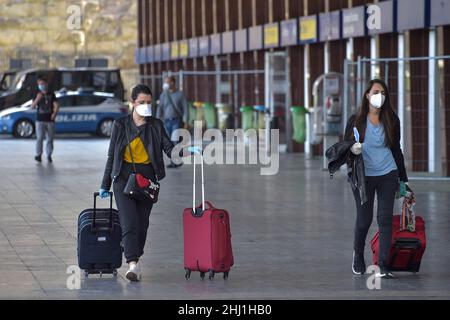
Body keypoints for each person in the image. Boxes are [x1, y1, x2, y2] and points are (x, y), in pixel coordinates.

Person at [99, 84, 178, 282]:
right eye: (141, 102)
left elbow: (169, 148)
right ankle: (132, 263)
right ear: (133, 103)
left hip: (147, 179)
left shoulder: (156, 125)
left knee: (142, 225)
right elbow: (111, 157)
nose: (146, 106)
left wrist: (184, 151)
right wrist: (104, 185)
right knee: (129, 222)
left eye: (149, 103)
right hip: (123, 177)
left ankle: (136, 256)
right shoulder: (120, 125)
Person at [344, 79, 410, 279]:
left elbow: (396, 149)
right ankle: (358, 255)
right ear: (367, 95)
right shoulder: (356, 120)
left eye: (382, 92)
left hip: (387, 174)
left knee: (385, 219)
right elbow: (345, 147)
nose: (379, 95)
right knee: (364, 219)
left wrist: (403, 180)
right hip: (363, 176)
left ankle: (382, 263)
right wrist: (352, 149)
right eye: (375, 91)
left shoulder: (392, 119)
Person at [156, 76, 188, 168]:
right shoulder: (163, 95)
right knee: (169, 142)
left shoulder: (180, 95)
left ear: (173, 83)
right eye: (165, 82)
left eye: (167, 82)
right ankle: (174, 161)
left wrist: (185, 121)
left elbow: (185, 108)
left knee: (175, 141)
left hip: (176, 121)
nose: (165, 84)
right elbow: (160, 107)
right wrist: (157, 120)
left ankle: (176, 161)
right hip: (166, 122)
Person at [31, 76, 59, 163]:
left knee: (50, 138)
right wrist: (37, 99)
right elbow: (32, 106)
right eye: (39, 84)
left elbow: (56, 105)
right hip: (40, 120)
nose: (41, 86)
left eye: (42, 84)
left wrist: (54, 114)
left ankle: (49, 155)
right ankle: (38, 155)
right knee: (39, 138)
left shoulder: (52, 94)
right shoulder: (37, 94)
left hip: (50, 120)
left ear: (46, 84)